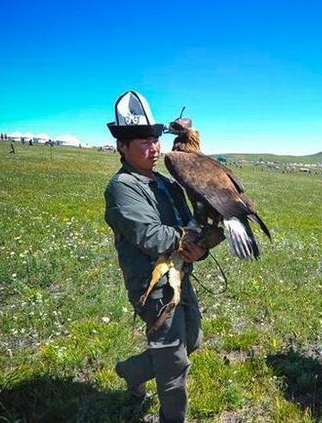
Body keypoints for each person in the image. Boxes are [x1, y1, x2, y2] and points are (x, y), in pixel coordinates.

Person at [104, 90, 208, 422]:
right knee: (174, 364)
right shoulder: (122, 187)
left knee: (192, 339)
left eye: (155, 138)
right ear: (122, 146)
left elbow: (187, 224)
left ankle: (133, 372)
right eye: (143, 141)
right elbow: (149, 235)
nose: (154, 147)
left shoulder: (166, 183)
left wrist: (202, 245)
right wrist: (187, 239)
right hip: (152, 289)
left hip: (180, 277)